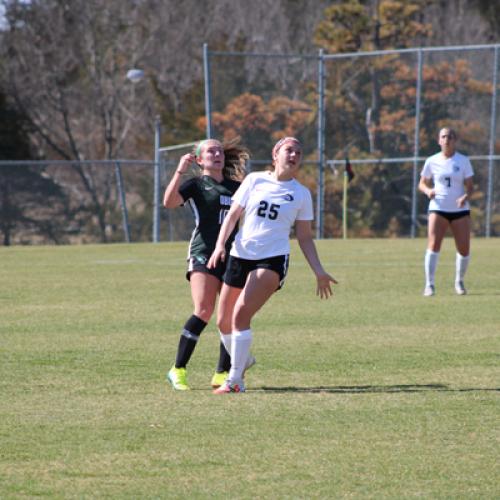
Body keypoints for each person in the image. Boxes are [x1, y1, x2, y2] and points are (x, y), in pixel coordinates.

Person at [207, 136, 337, 394]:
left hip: (272, 259)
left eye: (299, 152)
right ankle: (244, 358)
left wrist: (319, 271)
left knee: (240, 316)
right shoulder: (255, 180)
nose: (294, 155)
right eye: (289, 150)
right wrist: (220, 245)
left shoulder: (300, 194)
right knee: (223, 321)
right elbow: (233, 215)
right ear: (275, 153)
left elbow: (304, 236)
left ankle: (235, 381)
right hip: (239, 254)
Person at [163, 138, 248, 390]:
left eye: (220, 150)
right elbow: (169, 202)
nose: (217, 154)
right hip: (203, 252)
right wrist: (180, 170)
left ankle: (222, 373)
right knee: (203, 310)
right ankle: (177, 369)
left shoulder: (238, 187)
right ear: (200, 160)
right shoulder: (196, 185)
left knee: (230, 315)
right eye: (211, 151)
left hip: (233, 255)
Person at [418, 127, 474, 297]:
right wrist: (428, 191)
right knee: (434, 244)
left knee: (464, 249)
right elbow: (422, 183)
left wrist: (465, 197)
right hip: (438, 208)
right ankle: (429, 284)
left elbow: (470, 187)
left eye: (450, 136)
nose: (447, 139)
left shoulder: (463, 161)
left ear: (455, 140)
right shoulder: (431, 161)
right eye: (443, 136)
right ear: (439, 140)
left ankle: (459, 281)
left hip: (459, 210)